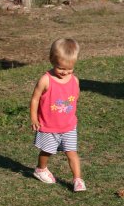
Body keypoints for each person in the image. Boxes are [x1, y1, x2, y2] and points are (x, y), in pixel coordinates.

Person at [29, 38, 86, 192]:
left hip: (68, 126)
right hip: (49, 126)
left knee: (72, 152)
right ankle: (41, 169)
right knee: (47, 151)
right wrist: (34, 118)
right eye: (61, 68)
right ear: (52, 60)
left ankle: (77, 179)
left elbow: (75, 97)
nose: (65, 72)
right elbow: (35, 99)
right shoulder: (45, 80)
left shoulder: (74, 80)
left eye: (69, 69)